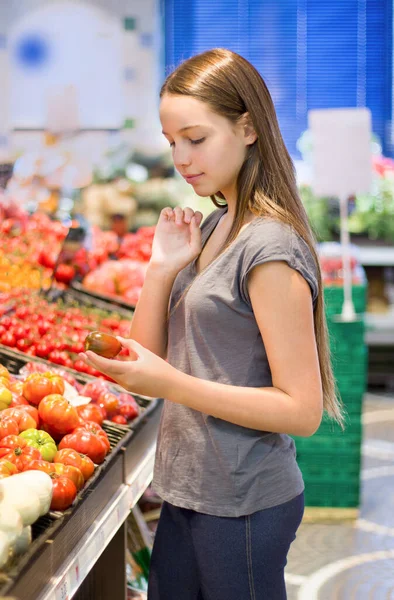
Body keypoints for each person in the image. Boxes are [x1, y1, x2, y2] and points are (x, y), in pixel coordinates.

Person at [80, 48, 343, 600]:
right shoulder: (218, 224)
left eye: (195, 139)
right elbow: (142, 358)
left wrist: (169, 383)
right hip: (187, 487)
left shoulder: (268, 247)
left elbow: (301, 411)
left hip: (243, 501)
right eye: (171, 141)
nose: (180, 157)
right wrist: (161, 269)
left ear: (247, 127)